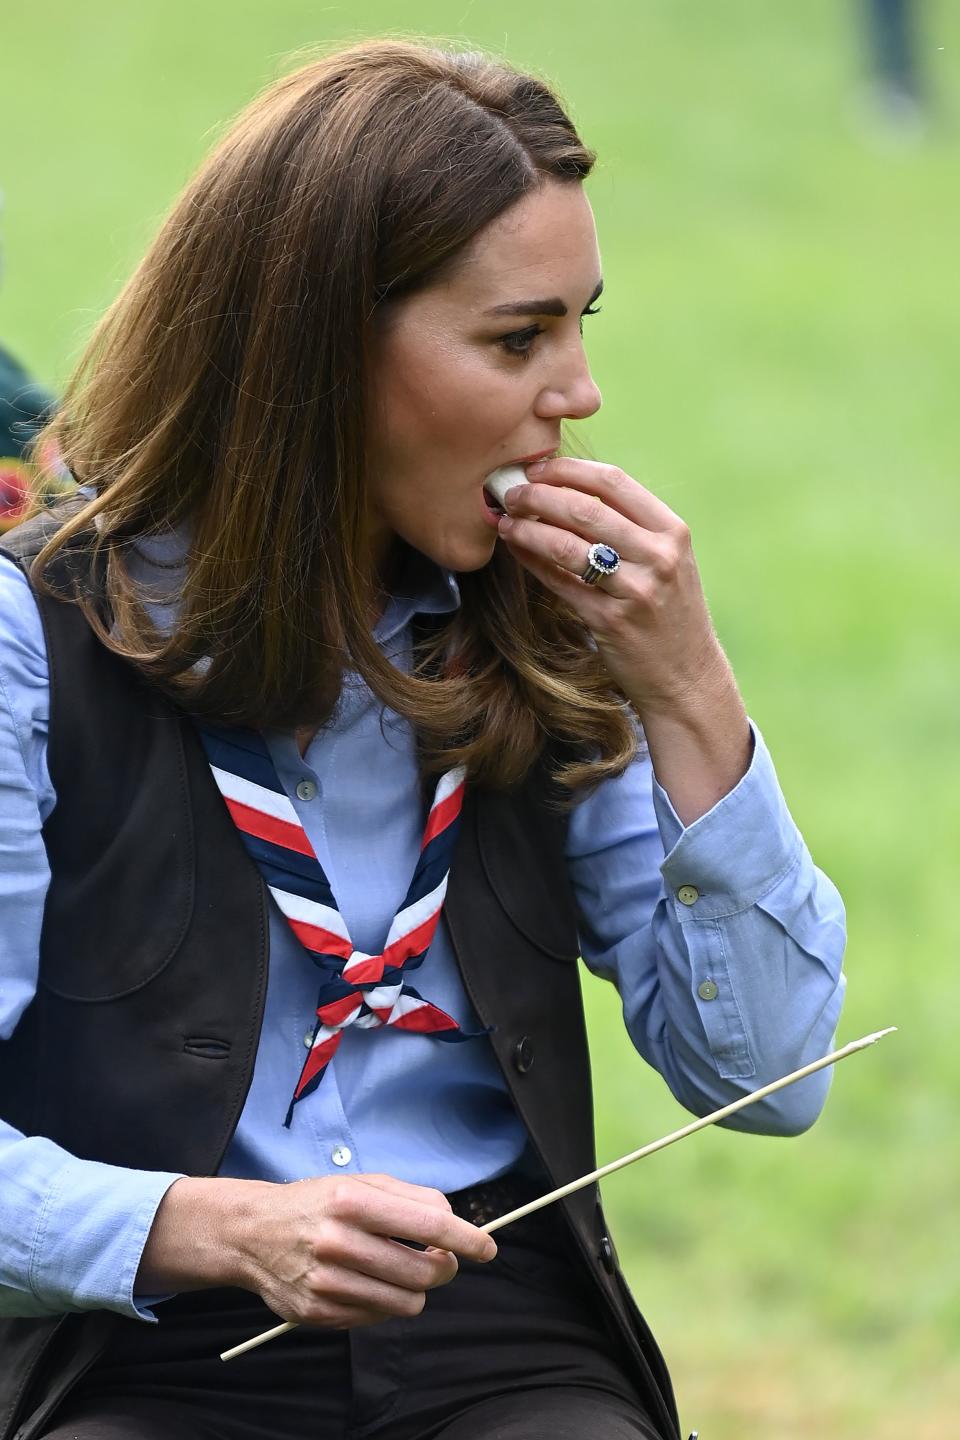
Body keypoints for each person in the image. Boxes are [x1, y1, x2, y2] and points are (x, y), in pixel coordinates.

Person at [0, 38, 846, 1440]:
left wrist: (692, 692)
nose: (575, 393)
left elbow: (767, 1082)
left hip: (508, 1346)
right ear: (317, 351)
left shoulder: (546, 621)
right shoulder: (35, 637)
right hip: (147, 1345)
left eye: (583, 324)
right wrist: (214, 1230)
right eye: (519, 338)